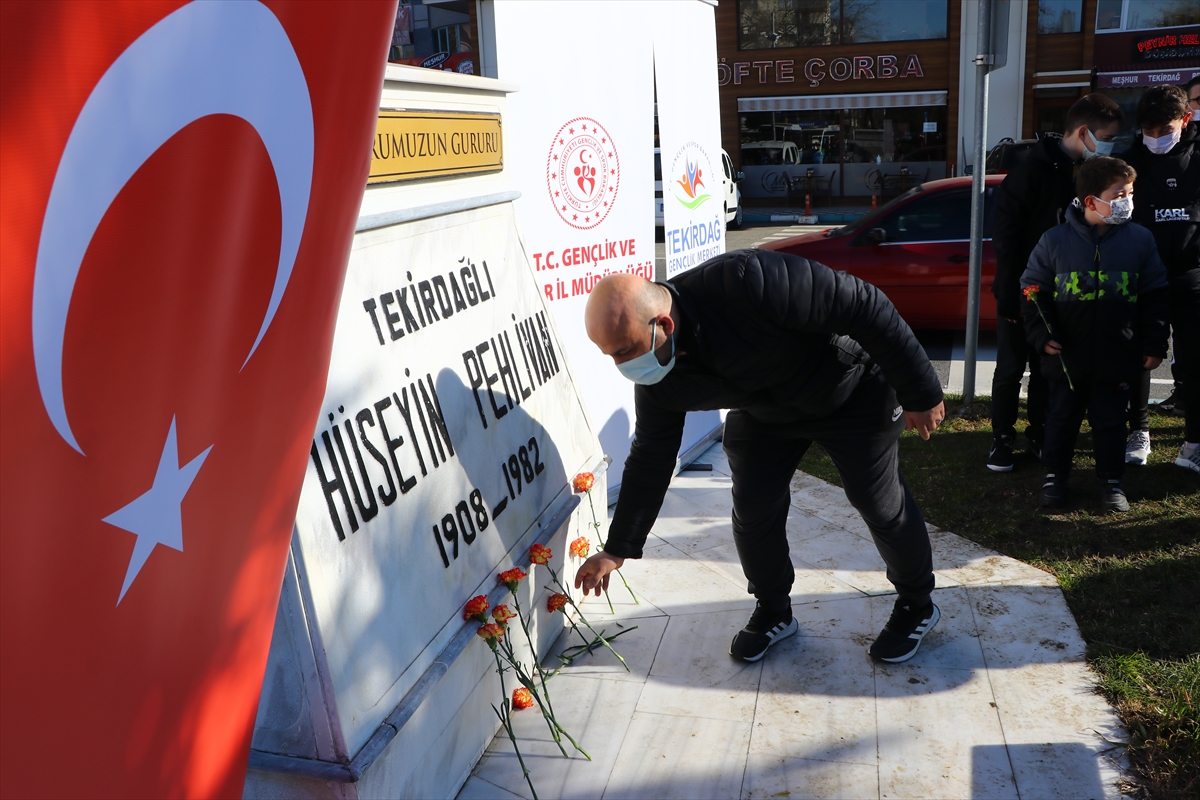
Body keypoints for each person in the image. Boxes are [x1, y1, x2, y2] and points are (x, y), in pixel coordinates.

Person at [573, 252, 946, 665]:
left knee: (876, 500)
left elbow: (863, 304)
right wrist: (618, 548)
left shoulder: (747, 282)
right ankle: (773, 610)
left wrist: (921, 391)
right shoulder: (659, 376)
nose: (620, 366)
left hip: (851, 389)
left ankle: (917, 602)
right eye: (609, 355)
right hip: (768, 410)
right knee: (753, 508)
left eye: (624, 351)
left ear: (663, 325)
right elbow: (651, 456)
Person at [1021, 156, 1169, 511]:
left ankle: (1111, 481)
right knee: (1060, 419)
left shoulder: (1140, 240)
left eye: (1130, 193)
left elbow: (1155, 294)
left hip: (1118, 352)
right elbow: (1032, 291)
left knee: (1111, 422)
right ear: (1092, 201)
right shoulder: (1054, 240)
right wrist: (1042, 334)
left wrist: (1153, 342)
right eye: (1120, 194)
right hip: (1067, 356)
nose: (1128, 201)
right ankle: (1055, 477)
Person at [988, 93, 1123, 472]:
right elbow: (1007, 239)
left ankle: (1039, 432)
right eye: (1106, 137)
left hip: (1063, 292)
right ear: (1083, 132)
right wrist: (1011, 295)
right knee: (1011, 367)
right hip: (1022, 289)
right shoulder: (1030, 173)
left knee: (1046, 367)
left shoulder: (1087, 174)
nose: (1108, 146)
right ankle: (1001, 439)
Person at [1122, 83, 1200, 472]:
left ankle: (1194, 442)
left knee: (1196, 360)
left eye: (1163, 129)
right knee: (1139, 357)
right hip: (1142, 279)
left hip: (1192, 278)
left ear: (1185, 119)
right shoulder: (1130, 158)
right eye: (1148, 131)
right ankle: (1138, 429)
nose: (1155, 138)